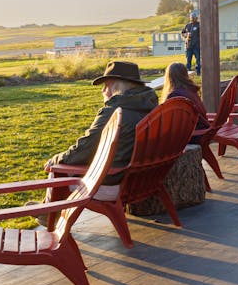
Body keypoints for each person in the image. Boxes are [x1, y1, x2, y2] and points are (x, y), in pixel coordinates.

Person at [45, 61, 159, 197]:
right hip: (143, 180)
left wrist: (55, 160)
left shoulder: (114, 111)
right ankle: (45, 212)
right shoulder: (152, 107)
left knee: (58, 170)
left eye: (106, 85)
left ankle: (47, 215)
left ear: (117, 86)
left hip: (112, 182)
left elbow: (85, 149)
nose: (103, 91)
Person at [161, 62, 209, 142]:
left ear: (169, 77)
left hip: (192, 135)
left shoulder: (174, 95)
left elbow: (169, 122)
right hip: (203, 130)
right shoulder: (191, 90)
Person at [180, 10, 201, 75]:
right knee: (188, 60)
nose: (193, 18)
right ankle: (188, 74)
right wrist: (186, 35)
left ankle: (198, 73)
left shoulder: (199, 25)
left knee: (198, 60)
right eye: (192, 17)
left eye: (194, 17)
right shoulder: (187, 25)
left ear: (196, 18)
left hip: (196, 46)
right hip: (188, 46)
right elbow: (183, 33)